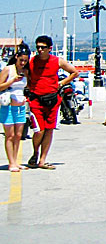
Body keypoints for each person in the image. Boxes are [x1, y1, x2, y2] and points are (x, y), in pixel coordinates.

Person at [27, 35, 78, 169]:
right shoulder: (32, 61)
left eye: (42, 47)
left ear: (49, 48)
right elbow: (25, 74)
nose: (39, 50)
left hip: (52, 100)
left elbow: (74, 72)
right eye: (37, 47)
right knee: (39, 130)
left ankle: (42, 160)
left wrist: (61, 83)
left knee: (49, 129)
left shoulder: (57, 61)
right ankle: (35, 152)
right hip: (36, 100)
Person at [0, 45, 30, 172]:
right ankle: (11, 162)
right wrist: (11, 81)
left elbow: (26, 87)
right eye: (21, 60)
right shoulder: (8, 70)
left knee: (18, 135)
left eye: (25, 61)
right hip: (8, 106)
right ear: (16, 57)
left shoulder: (25, 71)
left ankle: (16, 161)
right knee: (10, 135)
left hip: (20, 106)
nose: (22, 63)